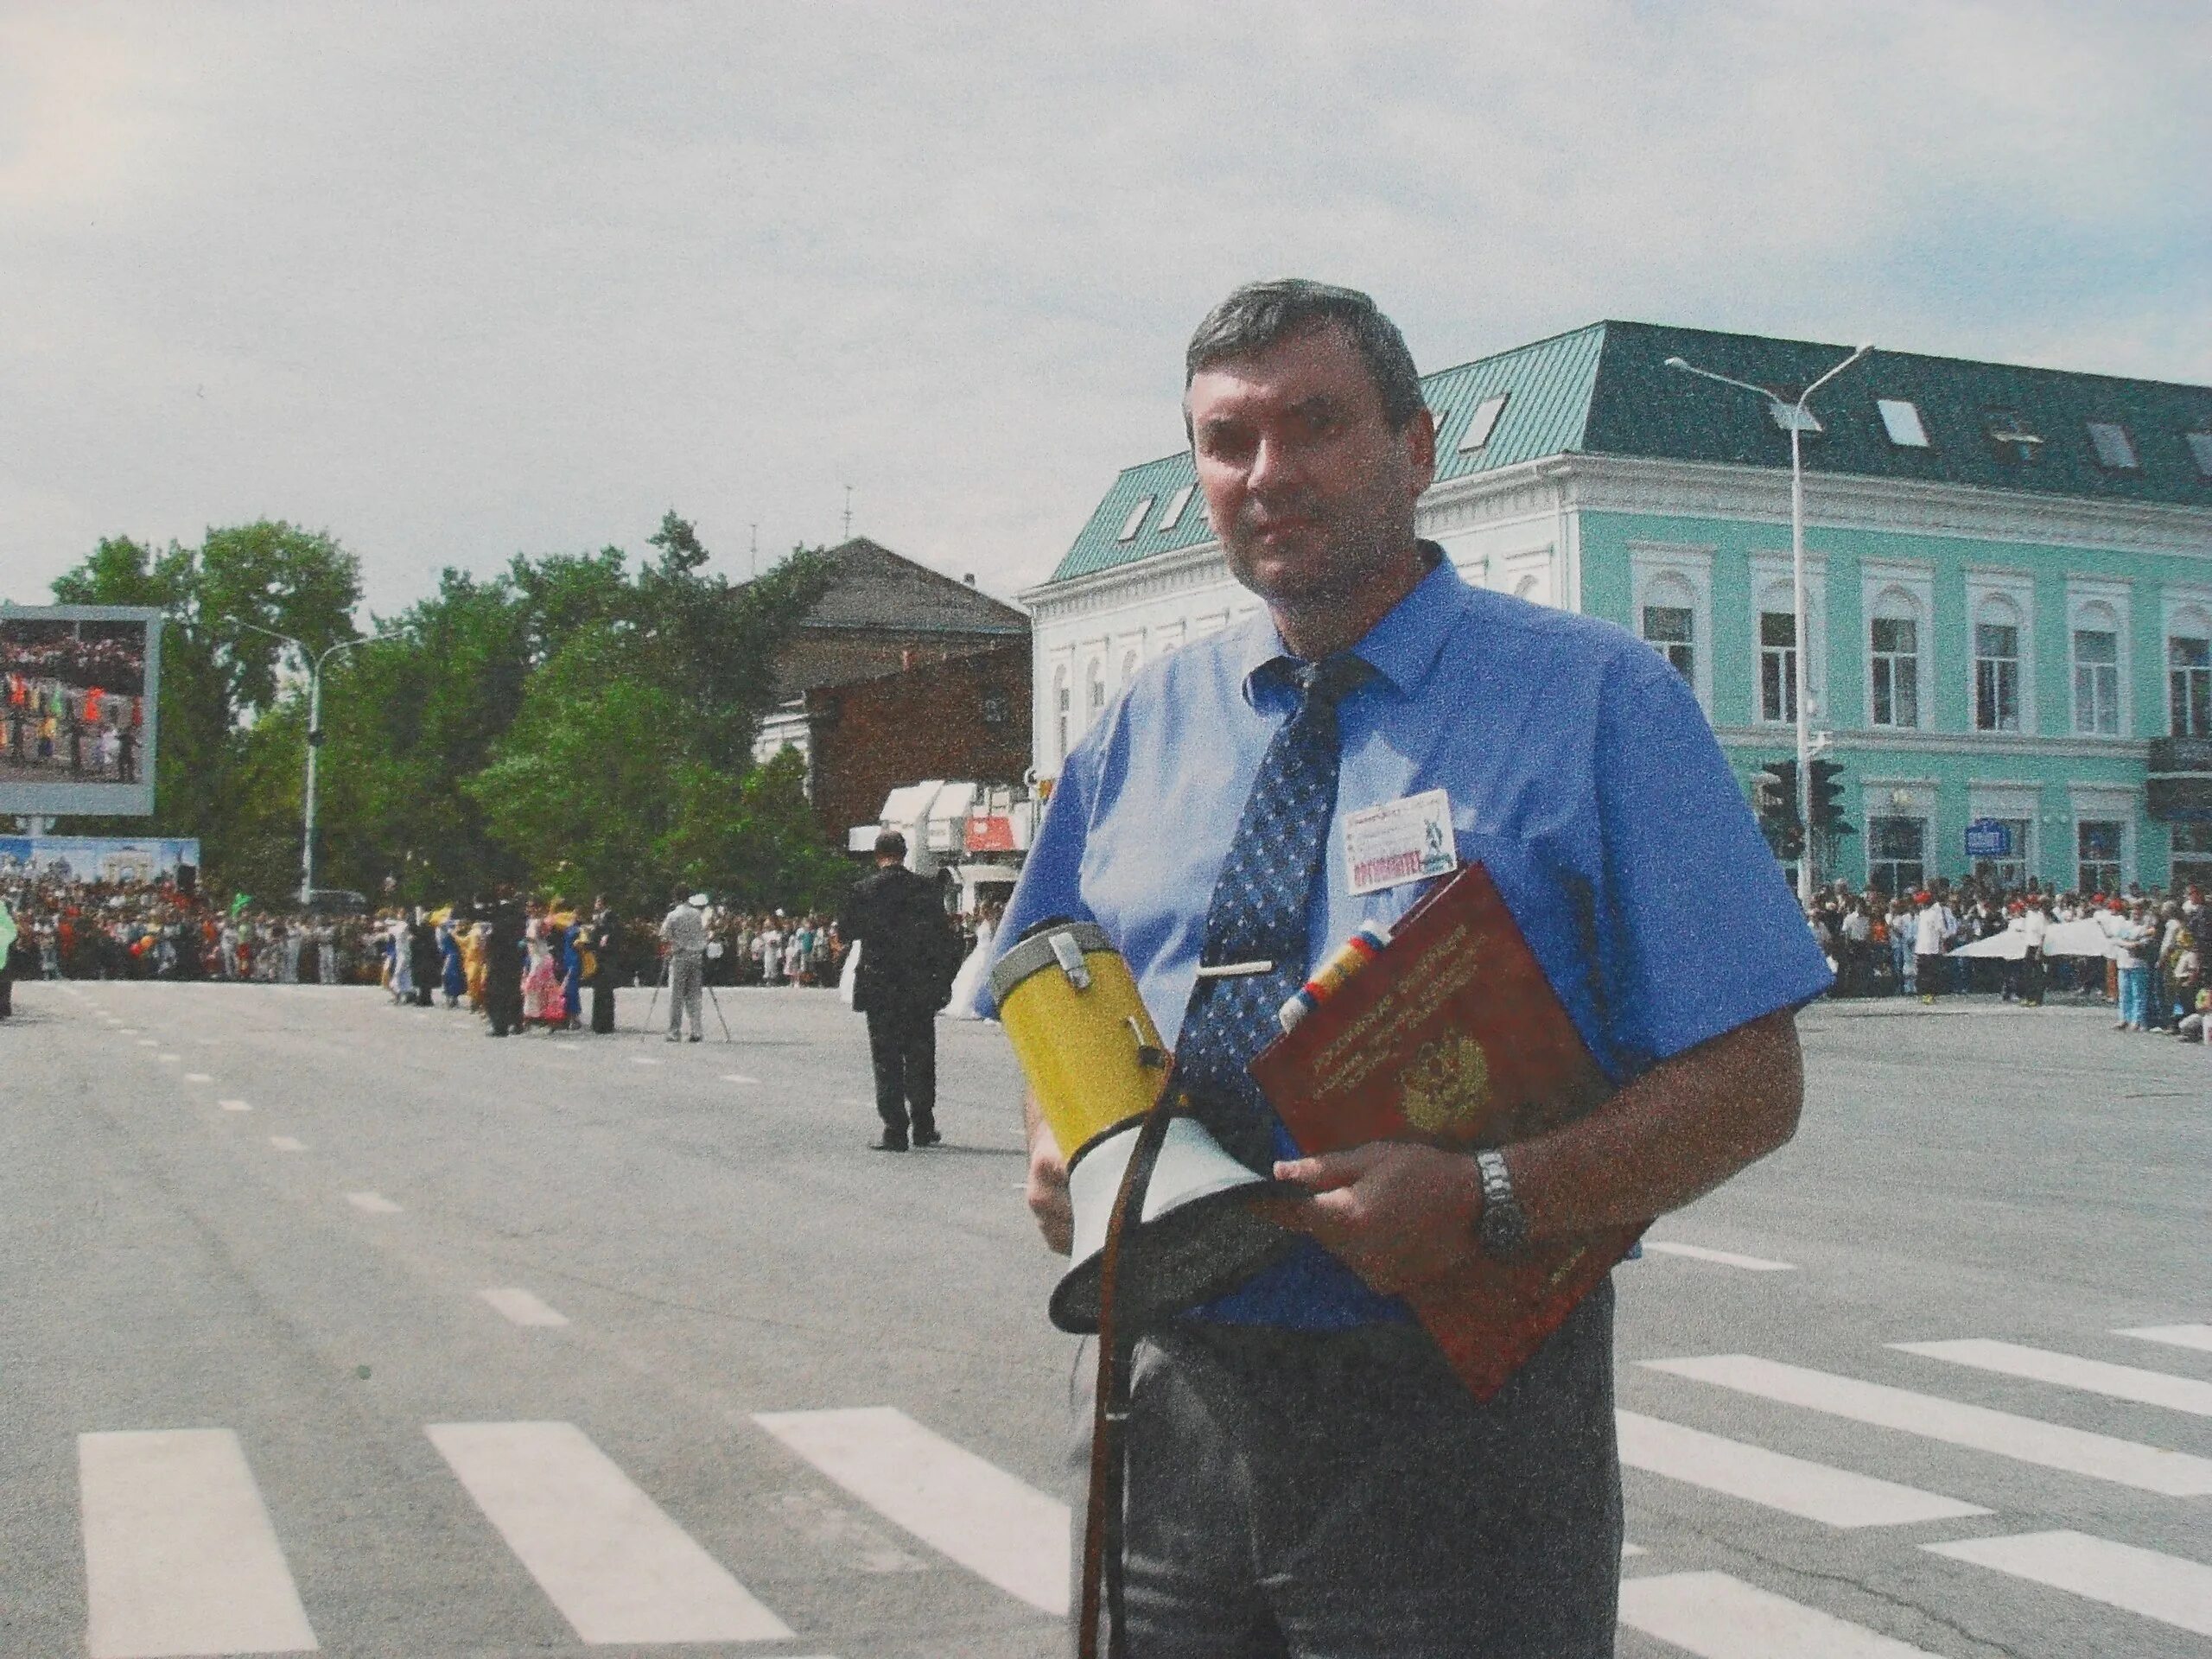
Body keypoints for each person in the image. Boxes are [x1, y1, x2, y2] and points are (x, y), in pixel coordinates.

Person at [988, 280, 1827, 1656]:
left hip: (1456, 1414)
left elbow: (1753, 1080)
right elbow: (1056, 982)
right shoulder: (1150, 718)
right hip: (1163, 1399)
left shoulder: (1599, 702)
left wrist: (1492, 1193)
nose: (1268, 475)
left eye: (1314, 426)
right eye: (1228, 441)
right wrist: (1056, 1138)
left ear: (1418, 449)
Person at [840, 830, 961, 1150]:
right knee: (921, 1054)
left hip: (879, 984)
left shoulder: (862, 890)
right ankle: (923, 1123)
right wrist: (943, 980)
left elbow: (847, 930)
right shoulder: (925, 889)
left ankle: (894, 1129)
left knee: (886, 1058)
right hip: (919, 985)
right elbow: (945, 941)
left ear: (877, 855)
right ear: (904, 853)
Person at [660, 888, 709, 1042]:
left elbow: (663, 934)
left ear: (675, 898)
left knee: (676, 995)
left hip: (680, 956)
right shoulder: (697, 914)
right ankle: (696, 1030)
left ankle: (674, 1031)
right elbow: (702, 932)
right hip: (696, 956)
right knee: (694, 995)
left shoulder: (673, 915)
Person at [588, 895, 621, 1034]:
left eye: (598, 902)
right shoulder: (599, 918)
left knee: (604, 991)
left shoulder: (608, 918)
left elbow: (605, 936)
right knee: (601, 991)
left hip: (605, 958)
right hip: (601, 958)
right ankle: (600, 1023)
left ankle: (604, 1023)